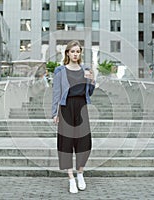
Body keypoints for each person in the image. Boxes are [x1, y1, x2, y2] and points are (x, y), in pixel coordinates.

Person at [51, 40, 95, 194]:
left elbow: (89, 92)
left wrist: (92, 80)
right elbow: (56, 92)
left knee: (85, 143)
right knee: (66, 143)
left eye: (78, 51)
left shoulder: (86, 69)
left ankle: (80, 173)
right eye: (73, 51)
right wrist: (55, 113)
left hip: (81, 108)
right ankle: (71, 178)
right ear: (67, 53)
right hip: (66, 108)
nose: (76, 54)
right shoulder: (60, 71)